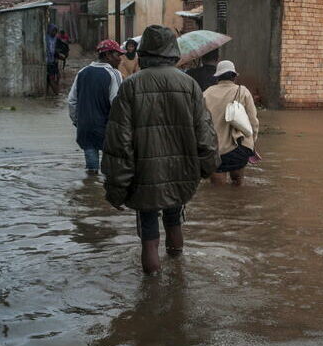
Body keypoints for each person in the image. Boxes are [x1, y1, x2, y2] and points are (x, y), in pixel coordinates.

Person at [102, 25, 220, 275]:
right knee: (174, 219)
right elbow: (205, 133)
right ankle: (178, 280)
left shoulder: (130, 86)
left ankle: (151, 295)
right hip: (181, 171)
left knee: (148, 231)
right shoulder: (189, 85)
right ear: (172, 52)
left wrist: (116, 188)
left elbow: (118, 142)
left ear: (143, 52)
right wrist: (208, 167)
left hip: (144, 174)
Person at [67, 40, 124, 174]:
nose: (120, 59)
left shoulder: (82, 72)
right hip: (106, 129)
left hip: (85, 128)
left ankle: (89, 190)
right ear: (108, 55)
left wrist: (78, 122)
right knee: (111, 171)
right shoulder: (114, 74)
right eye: (118, 55)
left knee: (91, 171)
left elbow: (71, 101)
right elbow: (117, 104)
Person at [203, 60, 259, 186]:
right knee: (237, 184)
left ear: (217, 77)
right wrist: (253, 142)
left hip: (215, 149)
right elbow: (253, 122)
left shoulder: (206, 94)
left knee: (217, 190)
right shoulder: (243, 92)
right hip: (239, 147)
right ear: (234, 76)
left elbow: (200, 123)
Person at [45, 24, 62, 95]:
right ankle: (56, 93)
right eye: (53, 31)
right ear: (49, 31)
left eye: (55, 31)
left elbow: (56, 49)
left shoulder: (55, 39)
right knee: (50, 78)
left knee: (58, 76)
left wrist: (58, 56)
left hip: (53, 60)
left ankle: (53, 90)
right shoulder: (46, 38)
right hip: (47, 61)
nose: (54, 33)